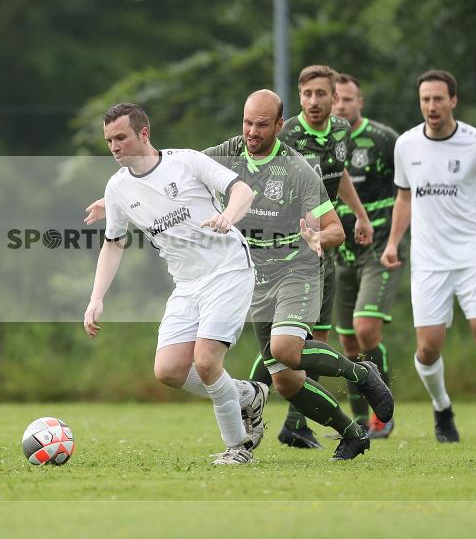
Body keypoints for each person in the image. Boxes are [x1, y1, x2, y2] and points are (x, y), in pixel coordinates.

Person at [85, 92, 394, 461]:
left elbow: (252, 196)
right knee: (277, 378)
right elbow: (148, 198)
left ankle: (246, 442)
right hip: (218, 280)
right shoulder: (206, 157)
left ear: (279, 126)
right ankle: (347, 431)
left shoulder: (296, 168)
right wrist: (97, 290)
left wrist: (231, 218)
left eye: (262, 124)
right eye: (247, 122)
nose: (251, 131)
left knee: (251, 355)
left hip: (279, 267)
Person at [83, 102, 267, 465]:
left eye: (121, 137)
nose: (114, 147)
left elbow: (243, 191)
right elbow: (114, 243)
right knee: (168, 370)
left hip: (228, 270)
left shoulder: (186, 162)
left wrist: (227, 217)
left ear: (144, 133)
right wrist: (95, 299)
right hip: (187, 284)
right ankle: (248, 396)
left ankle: (238, 448)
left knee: (206, 361)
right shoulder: (117, 188)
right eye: (109, 140)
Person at [380, 70, 476, 444]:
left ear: (453, 101)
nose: (431, 106)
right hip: (428, 259)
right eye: (425, 99)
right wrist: (393, 242)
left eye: (438, 99)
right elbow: (404, 198)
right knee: (427, 348)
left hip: (472, 253)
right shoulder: (407, 145)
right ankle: (442, 408)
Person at [248, 64, 374, 449]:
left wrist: (361, 215)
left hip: (324, 247)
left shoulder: (340, 131)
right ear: (298, 99)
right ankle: (256, 400)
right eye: (307, 94)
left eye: (322, 94)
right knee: (287, 349)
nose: (314, 101)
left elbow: (338, 177)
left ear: (336, 99)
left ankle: (295, 422)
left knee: (313, 339)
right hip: (284, 258)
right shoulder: (288, 138)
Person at [331, 73, 405, 439]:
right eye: (336, 100)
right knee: (346, 341)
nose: (340, 106)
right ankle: (360, 422)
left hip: (379, 249)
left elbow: (407, 191)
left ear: (360, 102)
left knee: (365, 328)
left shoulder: (382, 140)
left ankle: (383, 416)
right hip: (340, 253)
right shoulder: (326, 141)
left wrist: (396, 239)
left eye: (347, 100)